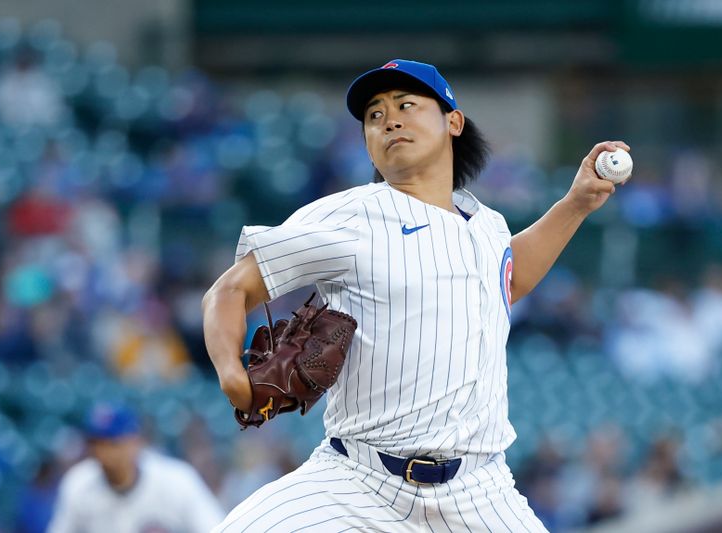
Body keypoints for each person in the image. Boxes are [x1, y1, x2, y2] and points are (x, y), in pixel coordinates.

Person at [202, 59, 630, 532]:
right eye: (375, 116)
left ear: (453, 122)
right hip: (359, 483)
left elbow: (508, 278)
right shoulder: (350, 216)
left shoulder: (486, 225)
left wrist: (575, 204)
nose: (391, 120)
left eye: (406, 105)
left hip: (480, 490)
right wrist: (231, 374)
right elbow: (229, 289)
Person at [48, 402, 224, 533]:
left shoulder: (176, 479)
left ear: (135, 442)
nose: (103, 453)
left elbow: (216, 528)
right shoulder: (78, 484)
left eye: (112, 444)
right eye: (96, 444)